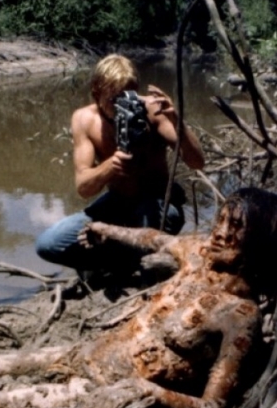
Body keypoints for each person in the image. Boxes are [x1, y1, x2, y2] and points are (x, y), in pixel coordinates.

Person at [0, 188, 277, 408]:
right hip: (85, 352)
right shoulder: (198, 253)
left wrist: (148, 391)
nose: (220, 233)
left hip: (101, 389)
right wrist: (104, 229)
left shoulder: (240, 315)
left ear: (259, 239)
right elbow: (153, 238)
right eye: (221, 221)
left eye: (236, 226)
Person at [35, 54, 205, 275]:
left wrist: (176, 120)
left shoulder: (153, 111)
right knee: (49, 244)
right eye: (115, 99)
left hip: (157, 203)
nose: (125, 106)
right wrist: (110, 166)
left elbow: (197, 163)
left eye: (130, 96)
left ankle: (124, 259)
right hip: (117, 202)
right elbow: (84, 188)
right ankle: (119, 260)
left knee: (148, 227)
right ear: (97, 95)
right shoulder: (84, 119)